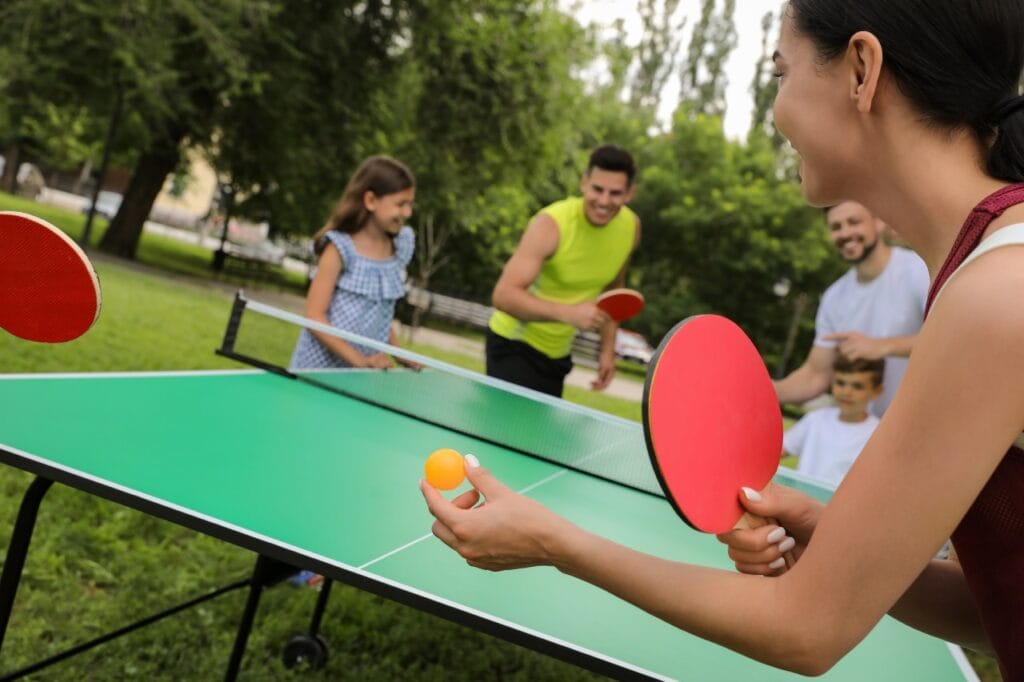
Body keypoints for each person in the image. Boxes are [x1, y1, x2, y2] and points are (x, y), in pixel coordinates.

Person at [420, 1, 1024, 677]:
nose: (777, 110)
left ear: (861, 69)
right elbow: (990, 606)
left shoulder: (999, 293)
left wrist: (553, 541)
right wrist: (829, 537)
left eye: (779, 73)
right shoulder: (990, 269)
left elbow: (806, 630)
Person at [485, 144, 642, 396]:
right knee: (512, 434)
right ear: (584, 183)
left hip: (558, 354)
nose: (603, 201)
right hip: (514, 345)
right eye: (597, 189)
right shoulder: (550, 224)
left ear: (629, 194)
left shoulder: (631, 228)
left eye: (615, 193)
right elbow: (503, 295)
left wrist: (607, 350)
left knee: (540, 435)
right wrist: (569, 313)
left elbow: (613, 290)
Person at [773, 200, 928, 417]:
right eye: (836, 227)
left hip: (927, 424)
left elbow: (956, 338)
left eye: (854, 222)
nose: (845, 233)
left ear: (879, 222)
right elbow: (815, 375)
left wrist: (883, 346)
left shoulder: (919, 270)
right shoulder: (834, 297)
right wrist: (763, 391)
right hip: (869, 434)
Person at [290, 155, 417, 371]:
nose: (408, 212)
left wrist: (399, 353)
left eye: (410, 204)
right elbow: (314, 317)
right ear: (370, 201)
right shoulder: (339, 248)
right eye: (400, 204)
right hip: (319, 371)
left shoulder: (399, 247)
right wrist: (360, 361)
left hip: (361, 376)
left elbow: (380, 315)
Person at [782, 355, 883, 487]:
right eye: (840, 383)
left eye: (858, 386)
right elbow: (777, 452)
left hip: (841, 506)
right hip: (798, 502)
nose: (847, 392)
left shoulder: (879, 433)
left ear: (877, 391)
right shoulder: (816, 419)